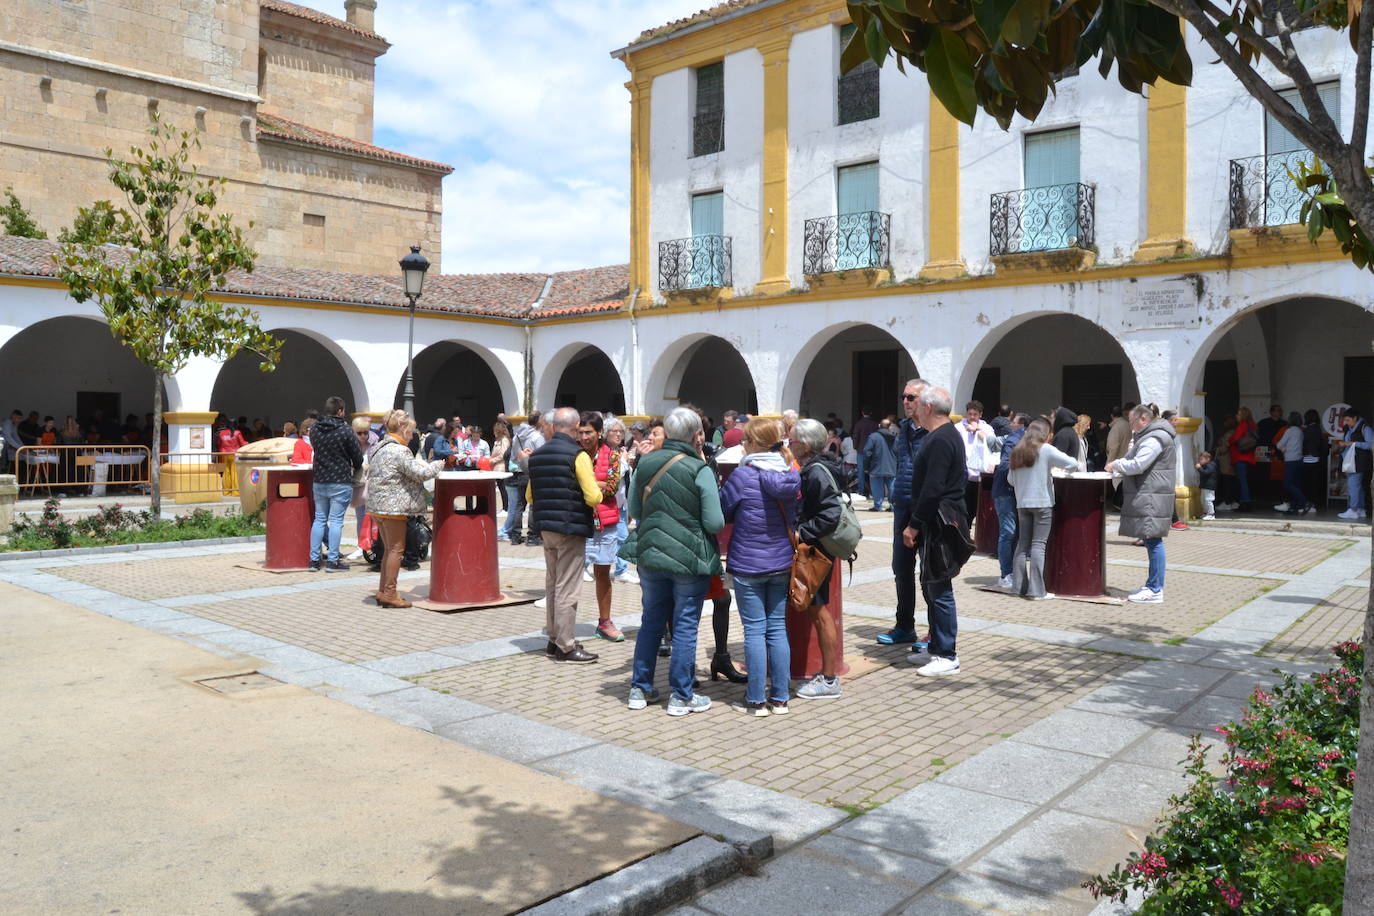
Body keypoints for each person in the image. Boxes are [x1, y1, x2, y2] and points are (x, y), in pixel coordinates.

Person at [621, 407, 724, 715]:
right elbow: (715, 522)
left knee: (651, 620)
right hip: (689, 557)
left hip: (651, 553)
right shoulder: (699, 468)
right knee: (685, 624)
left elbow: (636, 509)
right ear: (696, 435)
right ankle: (681, 694)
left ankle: (639, 688)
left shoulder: (646, 462)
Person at [720, 418, 799, 716]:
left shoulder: (743, 475)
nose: (742, 445)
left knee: (754, 631)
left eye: (746, 440)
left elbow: (724, 509)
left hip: (748, 564)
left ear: (754, 444)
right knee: (777, 628)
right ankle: (780, 698)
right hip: (780, 561)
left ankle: (755, 699)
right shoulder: (789, 472)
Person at [527, 407, 601, 663]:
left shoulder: (536, 456)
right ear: (577, 425)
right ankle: (566, 646)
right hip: (570, 527)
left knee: (553, 584)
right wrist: (599, 493)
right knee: (568, 588)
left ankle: (553, 638)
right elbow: (593, 496)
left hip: (546, 526)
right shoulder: (577, 455)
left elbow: (529, 496)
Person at [901, 387, 967, 677]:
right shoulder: (943, 435)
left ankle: (946, 653)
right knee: (930, 584)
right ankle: (935, 646)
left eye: (916, 402)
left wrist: (914, 523)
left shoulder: (941, 438)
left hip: (939, 520)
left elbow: (933, 487)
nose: (910, 405)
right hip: (937, 518)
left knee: (939, 586)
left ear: (928, 407)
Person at [787, 418, 847, 699]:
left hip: (816, 551)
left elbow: (830, 514)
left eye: (793, 440)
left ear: (806, 444)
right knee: (816, 611)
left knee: (821, 614)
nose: (789, 444)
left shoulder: (816, 472)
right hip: (818, 548)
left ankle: (830, 679)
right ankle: (829, 677)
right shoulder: (816, 467)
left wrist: (802, 533)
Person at [366, 410, 450, 608]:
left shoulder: (379, 447)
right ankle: (390, 593)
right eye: (411, 432)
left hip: (378, 506)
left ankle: (382, 590)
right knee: (396, 550)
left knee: (389, 550)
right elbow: (421, 473)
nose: (412, 436)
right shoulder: (399, 450)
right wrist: (439, 464)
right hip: (393, 507)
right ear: (403, 430)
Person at [878, 378, 930, 647]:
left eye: (912, 397)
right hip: (902, 508)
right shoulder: (904, 430)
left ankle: (936, 631)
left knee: (931, 573)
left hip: (927, 511)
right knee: (901, 568)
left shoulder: (935, 431)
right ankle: (904, 626)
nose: (906, 402)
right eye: (904, 397)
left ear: (925, 401)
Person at [1108, 404, 1177, 603]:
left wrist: (1117, 465)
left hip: (1152, 497)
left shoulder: (1154, 438)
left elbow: (1139, 464)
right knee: (1151, 540)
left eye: (1132, 422)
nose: (1131, 427)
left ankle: (1155, 589)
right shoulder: (1151, 436)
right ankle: (1152, 585)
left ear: (1143, 419)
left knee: (1153, 541)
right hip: (1152, 495)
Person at [1007, 418, 1077, 599]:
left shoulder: (1017, 451)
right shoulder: (1045, 449)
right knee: (1039, 545)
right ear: (1045, 434)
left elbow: (1010, 480)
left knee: (1022, 545)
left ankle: (1018, 587)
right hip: (1042, 502)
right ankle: (1037, 591)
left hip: (1022, 503)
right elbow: (1072, 463)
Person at [576, 411, 625, 642]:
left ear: (599, 432)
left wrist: (585, 483)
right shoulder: (574, 454)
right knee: (572, 575)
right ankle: (564, 625)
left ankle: (604, 622)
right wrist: (595, 484)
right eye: (581, 432)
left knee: (603, 574)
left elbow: (613, 487)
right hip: (580, 521)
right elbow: (574, 486)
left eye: (589, 432)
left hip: (606, 523)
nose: (584, 437)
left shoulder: (612, 456)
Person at [307, 396, 364, 572]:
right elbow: (358, 457)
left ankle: (314, 561)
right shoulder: (345, 430)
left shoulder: (314, 428)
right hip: (340, 480)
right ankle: (333, 561)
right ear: (340, 411)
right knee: (337, 521)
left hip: (319, 479)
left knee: (319, 520)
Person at [989, 411, 1030, 589]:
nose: (1010, 425)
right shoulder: (1015, 440)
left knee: (1015, 534)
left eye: (1013, 422)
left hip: (1014, 491)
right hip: (1005, 492)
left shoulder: (1025, 440)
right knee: (1008, 532)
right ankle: (1006, 574)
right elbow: (1006, 464)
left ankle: (1013, 572)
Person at [500, 410, 545, 544]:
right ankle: (532, 535)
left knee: (520, 505)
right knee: (533, 504)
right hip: (533, 472)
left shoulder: (517, 436)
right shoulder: (538, 437)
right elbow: (543, 456)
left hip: (519, 472)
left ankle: (515, 535)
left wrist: (521, 459)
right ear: (539, 422)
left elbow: (513, 458)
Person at [1336, 407, 1373, 520]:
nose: (1346, 423)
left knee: (1353, 486)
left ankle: (1353, 510)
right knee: (1358, 487)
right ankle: (1360, 509)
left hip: (1359, 462)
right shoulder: (1349, 429)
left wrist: (1353, 443)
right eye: (1345, 420)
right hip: (1351, 460)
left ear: (1355, 418)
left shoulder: (1365, 428)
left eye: (1348, 420)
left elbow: (1370, 444)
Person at [346, 416, 373, 560]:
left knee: (373, 517)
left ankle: (371, 545)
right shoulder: (351, 444)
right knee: (360, 516)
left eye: (366, 432)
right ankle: (360, 546)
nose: (363, 435)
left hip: (371, 483)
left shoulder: (374, 443)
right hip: (358, 484)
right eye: (360, 433)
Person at [1273, 412, 1311, 514]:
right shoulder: (1300, 431)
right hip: (1299, 460)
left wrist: (1282, 448)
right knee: (1296, 484)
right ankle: (1295, 506)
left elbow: (1279, 444)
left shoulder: (1289, 431)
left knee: (1287, 484)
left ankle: (1305, 502)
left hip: (1290, 460)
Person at [862, 416, 897, 511]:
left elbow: (866, 452)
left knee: (877, 487)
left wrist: (866, 466)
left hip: (876, 466)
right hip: (891, 466)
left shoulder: (873, 437)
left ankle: (878, 505)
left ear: (879, 426)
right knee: (892, 487)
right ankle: (893, 505)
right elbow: (899, 452)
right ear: (890, 427)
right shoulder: (895, 437)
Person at [1229, 406, 1259, 510]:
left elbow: (1235, 438)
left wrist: (1230, 440)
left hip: (1241, 457)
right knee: (1245, 480)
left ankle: (1245, 502)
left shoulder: (1242, 425)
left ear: (1243, 415)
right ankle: (1245, 500)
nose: (1236, 416)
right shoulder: (1253, 425)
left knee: (1242, 481)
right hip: (1250, 457)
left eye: (1238, 414)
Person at [851, 406, 879, 498]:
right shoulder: (875, 424)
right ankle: (872, 492)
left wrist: (855, 446)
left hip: (861, 449)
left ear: (862, 413)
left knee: (861, 472)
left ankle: (861, 491)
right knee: (872, 472)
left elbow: (856, 436)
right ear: (870, 413)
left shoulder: (858, 424)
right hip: (872, 450)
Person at [1302, 409, 1325, 509]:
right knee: (1314, 483)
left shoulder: (1308, 430)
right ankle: (1314, 503)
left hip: (1308, 458)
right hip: (1316, 458)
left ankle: (1309, 504)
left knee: (1307, 483)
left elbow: (1303, 443)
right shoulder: (1318, 429)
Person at [491, 419, 511, 510]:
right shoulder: (497, 440)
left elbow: (503, 455)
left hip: (501, 467)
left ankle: (506, 507)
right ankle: (505, 507)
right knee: (501, 487)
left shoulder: (504, 440)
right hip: (496, 467)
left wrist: (492, 460)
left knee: (503, 488)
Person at [1196, 451, 1218, 519]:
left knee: (1208, 500)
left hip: (1209, 486)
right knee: (1203, 500)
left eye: (1201, 459)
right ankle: (1206, 512)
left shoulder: (1211, 465)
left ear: (1208, 459)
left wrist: (1199, 468)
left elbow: (1206, 473)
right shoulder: (1206, 465)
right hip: (1205, 486)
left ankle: (1211, 514)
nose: (1200, 461)